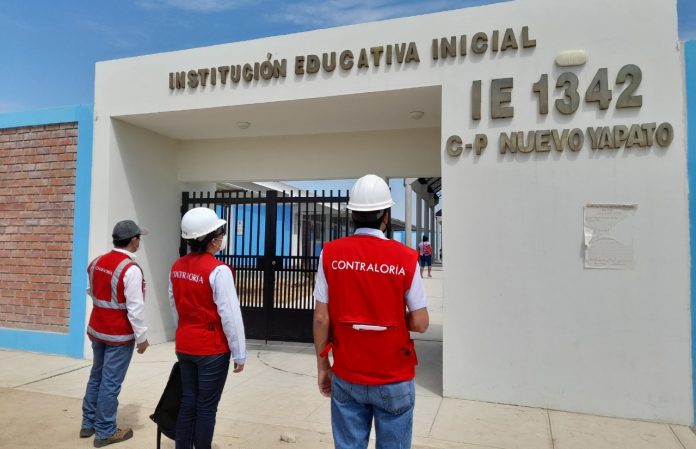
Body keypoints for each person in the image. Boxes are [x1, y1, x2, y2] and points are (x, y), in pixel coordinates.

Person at [313, 174, 430, 449]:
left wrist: (323, 367)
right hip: (393, 375)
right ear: (386, 216)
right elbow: (421, 322)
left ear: (352, 214)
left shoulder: (330, 253)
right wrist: (390, 318)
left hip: (348, 373)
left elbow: (321, 317)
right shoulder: (405, 258)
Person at [169, 207, 247, 449]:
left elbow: (174, 305)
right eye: (220, 234)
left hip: (185, 344)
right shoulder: (219, 270)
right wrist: (239, 352)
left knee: (188, 401)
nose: (222, 238)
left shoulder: (177, 266)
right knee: (206, 407)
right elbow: (230, 315)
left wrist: (184, 331)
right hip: (211, 349)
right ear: (212, 240)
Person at [81, 220, 150, 448]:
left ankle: (88, 424)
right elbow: (135, 308)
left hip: (98, 329)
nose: (139, 241)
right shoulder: (131, 269)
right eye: (139, 238)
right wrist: (142, 338)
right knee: (110, 383)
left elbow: (91, 291)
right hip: (118, 336)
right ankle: (105, 432)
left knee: (96, 377)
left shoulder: (96, 262)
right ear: (133, 240)